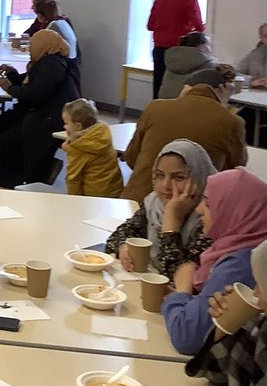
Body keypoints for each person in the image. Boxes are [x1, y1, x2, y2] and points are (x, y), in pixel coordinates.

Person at [162, 167, 267, 355]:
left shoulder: (242, 263)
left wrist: (181, 291)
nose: (199, 210)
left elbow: (187, 338)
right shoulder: (231, 245)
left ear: (236, 212)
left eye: (208, 204)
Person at [188, 238, 267, 386]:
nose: (256, 293)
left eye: (261, 284)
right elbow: (217, 374)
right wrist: (226, 325)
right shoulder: (262, 327)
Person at [122, 66, 247, 202]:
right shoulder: (231, 121)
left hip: (135, 201)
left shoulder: (155, 107)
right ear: (223, 91)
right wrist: (222, 107)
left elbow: (131, 157)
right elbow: (235, 169)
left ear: (186, 88)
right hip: (189, 209)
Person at [105, 140, 216, 275]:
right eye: (160, 175)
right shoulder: (154, 203)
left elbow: (177, 277)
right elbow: (118, 236)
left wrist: (171, 220)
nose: (166, 185)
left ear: (200, 178)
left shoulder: (210, 217)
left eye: (179, 177)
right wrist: (123, 247)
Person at [0, 30, 79, 189]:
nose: (30, 48)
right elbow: (29, 83)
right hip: (46, 113)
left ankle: (21, 179)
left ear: (44, 45)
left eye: (33, 44)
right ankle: (19, 177)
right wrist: (12, 74)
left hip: (51, 119)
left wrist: (10, 88)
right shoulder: (47, 62)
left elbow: (33, 94)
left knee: (7, 137)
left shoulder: (51, 65)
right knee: (3, 124)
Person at [147, 0, 205, 98]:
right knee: (176, 87)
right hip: (178, 51)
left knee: (159, 85)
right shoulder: (190, 0)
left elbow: (150, 26)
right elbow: (199, 27)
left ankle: (156, 114)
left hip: (159, 49)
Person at [61, 98, 124, 198]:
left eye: (66, 123)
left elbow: (73, 178)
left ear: (78, 126)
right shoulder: (103, 132)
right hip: (115, 189)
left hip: (93, 195)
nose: (64, 127)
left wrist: (73, 200)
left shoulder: (78, 148)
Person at [158, 32, 215, 100]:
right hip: (188, 105)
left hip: (164, 103)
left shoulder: (174, 60)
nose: (210, 49)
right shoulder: (209, 64)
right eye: (209, 45)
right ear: (202, 47)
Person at [34, 0, 81, 73]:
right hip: (70, 65)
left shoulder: (52, 28)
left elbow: (39, 51)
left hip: (60, 67)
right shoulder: (62, 22)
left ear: (40, 15)